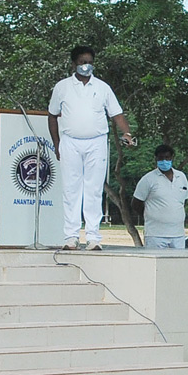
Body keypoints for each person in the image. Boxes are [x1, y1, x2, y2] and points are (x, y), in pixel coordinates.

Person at [48, 45, 136, 250]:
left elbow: (117, 114)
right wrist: (56, 144)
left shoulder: (102, 87)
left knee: (94, 189)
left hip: (96, 142)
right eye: (82, 62)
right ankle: (71, 237)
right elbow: (52, 115)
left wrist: (127, 133)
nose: (86, 66)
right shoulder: (62, 87)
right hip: (70, 141)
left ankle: (93, 237)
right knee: (71, 189)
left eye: (89, 62)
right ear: (73, 64)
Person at [131, 145, 188, 249]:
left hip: (178, 235)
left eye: (167, 158)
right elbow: (136, 203)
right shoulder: (148, 179)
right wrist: (150, 215)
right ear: (156, 159)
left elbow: (183, 201)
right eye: (161, 158)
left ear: (172, 157)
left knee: (177, 264)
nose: (164, 161)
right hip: (155, 235)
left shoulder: (181, 177)